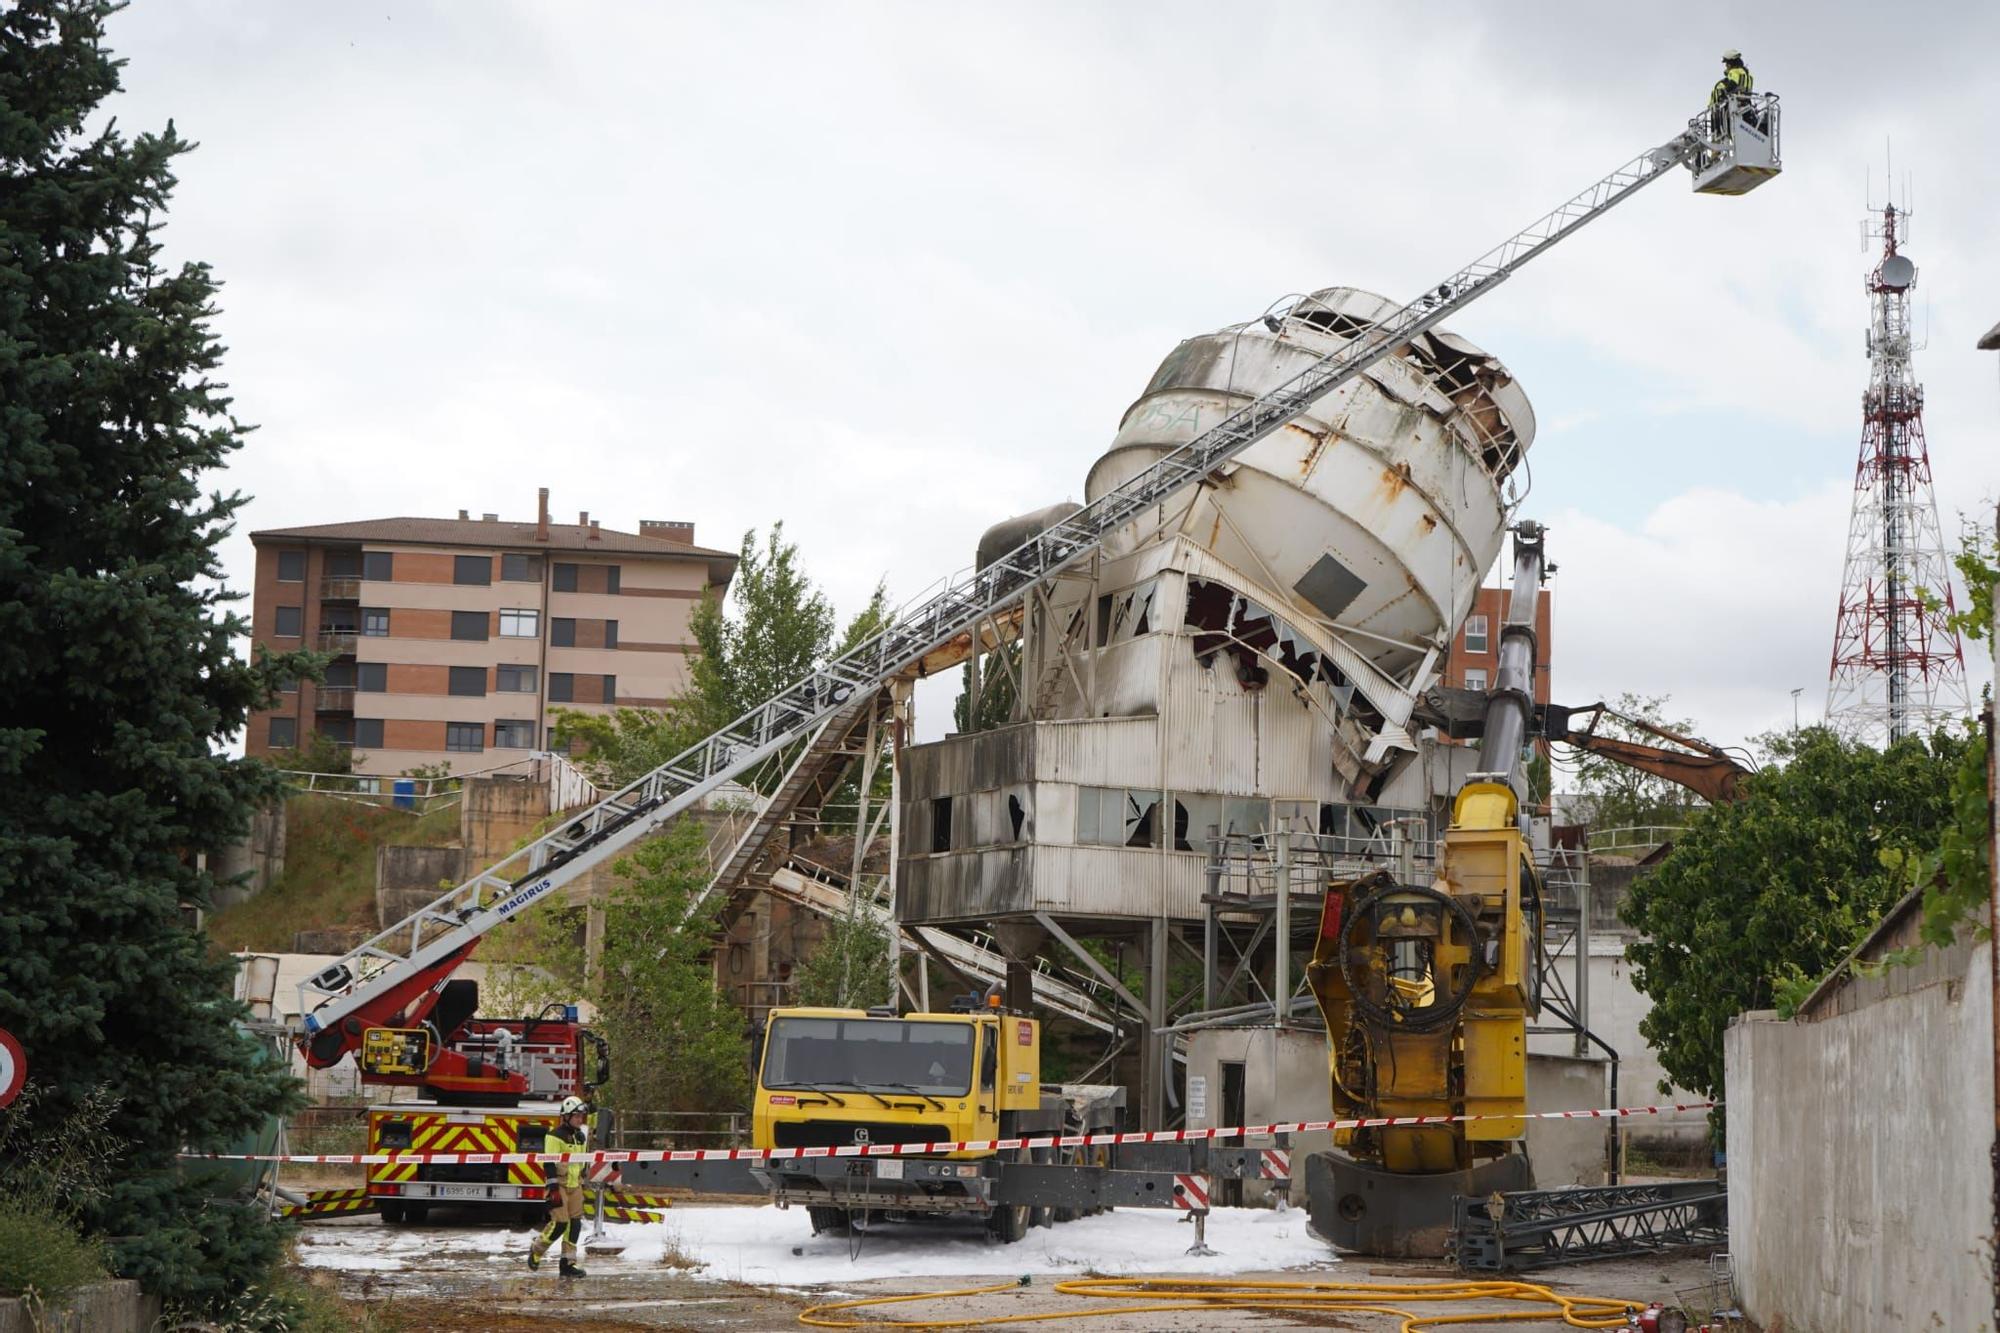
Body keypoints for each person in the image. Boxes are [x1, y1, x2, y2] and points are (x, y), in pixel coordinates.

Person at [526, 1095, 591, 1278]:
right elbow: (548, 1163)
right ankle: (537, 1250)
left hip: (575, 1185)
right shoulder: (554, 1135)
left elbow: (581, 1161)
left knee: (575, 1225)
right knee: (560, 1224)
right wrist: (553, 1187)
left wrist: (583, 1176)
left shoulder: (580, 1136)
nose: (580, 1119)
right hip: (559, 1185)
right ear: (567, 1116)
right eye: (577, 1116)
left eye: (581, 1116)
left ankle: (567, 1265)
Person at [1709, 50, 1754, 136]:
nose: (1726, 66)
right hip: (1746, 105)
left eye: (1727, 63)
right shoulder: (1748, 75)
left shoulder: (1734, 72)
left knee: (1723, 131)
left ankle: (1717, 136)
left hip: (1732, 107)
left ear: (1731, 63)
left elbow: (1733, 83)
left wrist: (1723, 93)